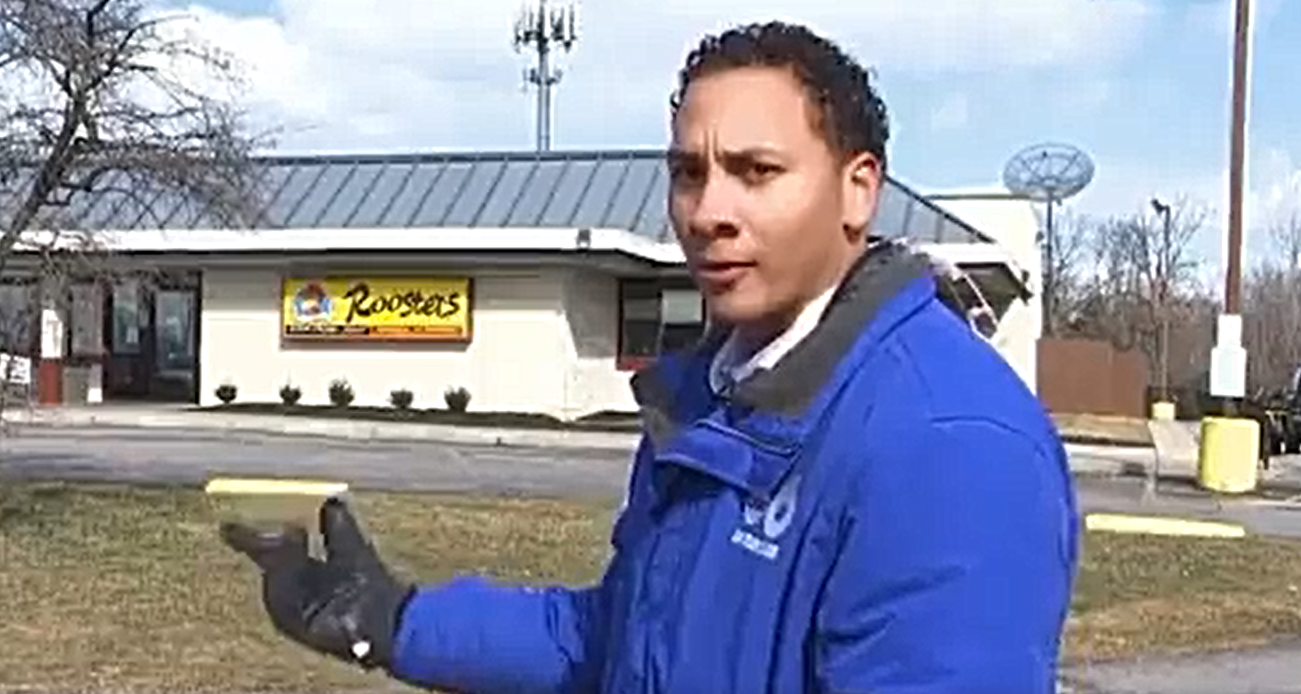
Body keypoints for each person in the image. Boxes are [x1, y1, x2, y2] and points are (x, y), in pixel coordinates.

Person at [221, 19, 1080, 694]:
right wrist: (397, 619)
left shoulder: (948, 442)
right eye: (688, 173)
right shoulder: (714, 396)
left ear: (857, 189)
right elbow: (618, 639)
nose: (709, 210)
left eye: (756, 171)